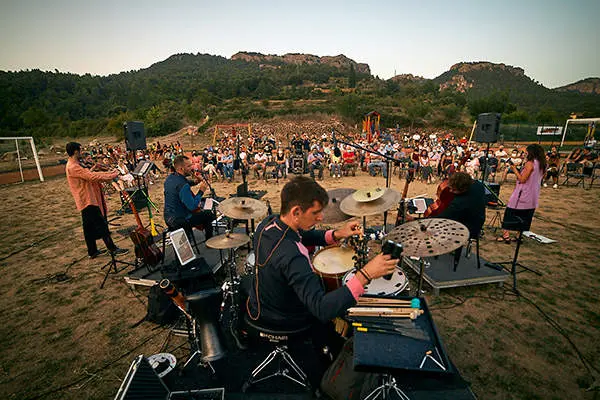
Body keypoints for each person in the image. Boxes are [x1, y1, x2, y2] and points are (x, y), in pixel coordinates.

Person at [246, 175, 398, 333]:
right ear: (296, 212)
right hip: (283, 318)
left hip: (262, 301)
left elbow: (299, 236)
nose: (321, 217)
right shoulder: (294, 258)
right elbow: (322, 309)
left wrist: (337, 234)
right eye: (315, 213)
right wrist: (366, 274)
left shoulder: (268, 224)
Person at [65, 142, 129, 259]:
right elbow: (91, 176)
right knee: (101, 225)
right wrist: (111, 175)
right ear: (75, 151)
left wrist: (107, 172)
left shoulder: (76, 164)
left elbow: (91, 173)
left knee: (88, 227)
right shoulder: (73, 167)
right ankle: (112, 248)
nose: (82, 153)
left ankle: (92, 251)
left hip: (86, 199)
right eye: (80, 150)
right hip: (87, 199)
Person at [497, 144, 547, 243]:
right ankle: (519, 235)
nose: (525, 154)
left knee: (510, 212)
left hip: (523, 192)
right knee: (526, 215)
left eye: (526, 152)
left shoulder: (530, 163)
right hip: (533, 193)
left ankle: (506, 235)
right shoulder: (543, 164)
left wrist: (514, 169)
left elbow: (522, 179)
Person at [163, 155, 215, 239]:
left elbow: (187, 182)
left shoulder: (170, 178)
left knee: (202, 208)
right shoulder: (183, 185)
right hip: (179, 220)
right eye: (189, 166)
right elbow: (192, 206)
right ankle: (210, 240)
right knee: (208, 214)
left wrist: (196, 181)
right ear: (181, 169)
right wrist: (201, 191)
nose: (192, 167)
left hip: (168, 216)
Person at [436, 172, 486, 239]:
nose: (450, 191)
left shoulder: (459, 202)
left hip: (469, 229)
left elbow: (441, 218)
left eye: (454, 189)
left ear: (463, 189)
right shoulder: (479, 185)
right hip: (479, 220)